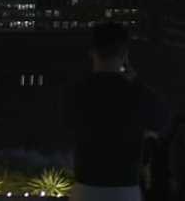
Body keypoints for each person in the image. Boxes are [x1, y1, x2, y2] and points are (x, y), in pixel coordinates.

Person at [61, 22, 171, 201]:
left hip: (86, 187)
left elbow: (70, 123)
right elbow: (162, 121)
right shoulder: (137, 95)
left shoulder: (72, 94)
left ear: (92, 52)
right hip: (124, 187)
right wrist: (136, 80)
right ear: (123, 55)